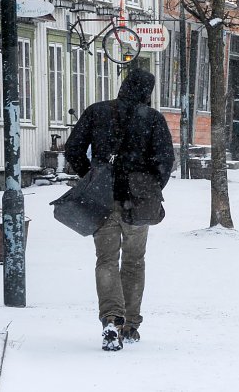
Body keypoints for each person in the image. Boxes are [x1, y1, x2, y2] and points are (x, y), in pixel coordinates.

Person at [64, 69, 175, 352]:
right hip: (138, 202)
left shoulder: (97, 112)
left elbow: (73, 149)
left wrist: (91, 176)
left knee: (106, 260)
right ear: (147, 92)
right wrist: (149, 186)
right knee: (134, 261)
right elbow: (165, 160)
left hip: (103, 198)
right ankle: (130, 324)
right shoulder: (153, 119)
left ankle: (111, 318)